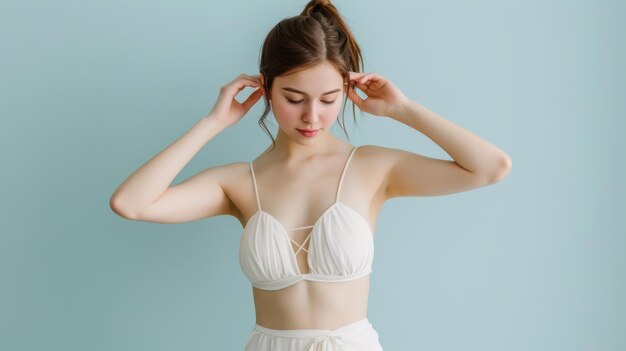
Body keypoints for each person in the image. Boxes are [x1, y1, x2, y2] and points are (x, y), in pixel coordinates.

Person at [109, 0, 512, 349]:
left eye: (329, 99)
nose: (312, 117)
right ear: (265, 89)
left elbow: (491, 167)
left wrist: (402, 109)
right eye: (294, 98)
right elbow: (131, 203)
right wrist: (213, 123)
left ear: (346, 90)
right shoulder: (236, 182)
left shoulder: (372, 167)